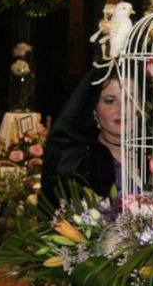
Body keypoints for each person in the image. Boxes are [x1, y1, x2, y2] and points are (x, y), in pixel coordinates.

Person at [40, 68, 123, 202]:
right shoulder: (77, 164)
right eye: (109, 101)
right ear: (94, 108)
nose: (122, 109)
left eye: (130, 99)